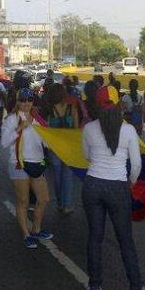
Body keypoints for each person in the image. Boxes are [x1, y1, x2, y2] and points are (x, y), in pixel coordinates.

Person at [81, 85, 145, 290]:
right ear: (119, 106)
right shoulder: (129, 130)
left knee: (95, 238)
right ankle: (136, 289)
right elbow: (137, 165)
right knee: (125, 239)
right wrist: (130, 183)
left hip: (93, 185)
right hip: (118, 187)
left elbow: (87, 157)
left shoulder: (89, 128)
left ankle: (94, 287)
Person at [0, 87, 53, 248]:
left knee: (43, 199)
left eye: (29, 100)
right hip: (19, 163)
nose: (26, 103)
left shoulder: (38, 118)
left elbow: (45, 141)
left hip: (37, 163)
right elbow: (4, 142)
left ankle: (36, 229)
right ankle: (26, 233)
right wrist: (20, 127)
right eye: (22, 100)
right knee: (23, 201)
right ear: (17, 101)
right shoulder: (11, 119)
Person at [45, 83, 79, 214]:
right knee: (68, 176)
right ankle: (67, 205)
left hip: (54, 149)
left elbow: (47, 129)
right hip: (69, 148)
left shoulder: (50, 110)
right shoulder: (72, 108)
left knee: (57, 177)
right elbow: (76, 130)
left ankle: (59, 203)